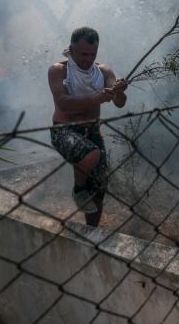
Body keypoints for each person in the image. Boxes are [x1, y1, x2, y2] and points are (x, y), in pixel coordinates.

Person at [48, 27, 127, 226]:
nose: (88, 59)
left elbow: (119, 102)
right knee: (91, 154)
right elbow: (64, 102)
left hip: (92, 131)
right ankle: (78, 189)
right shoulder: (59, 70)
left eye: (93, 54)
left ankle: (92, 230)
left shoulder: (103, 71)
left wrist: (119, 90)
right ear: (71, 49)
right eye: (83, 54)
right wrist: (95, 98)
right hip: (64, 130)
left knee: (100, 186)